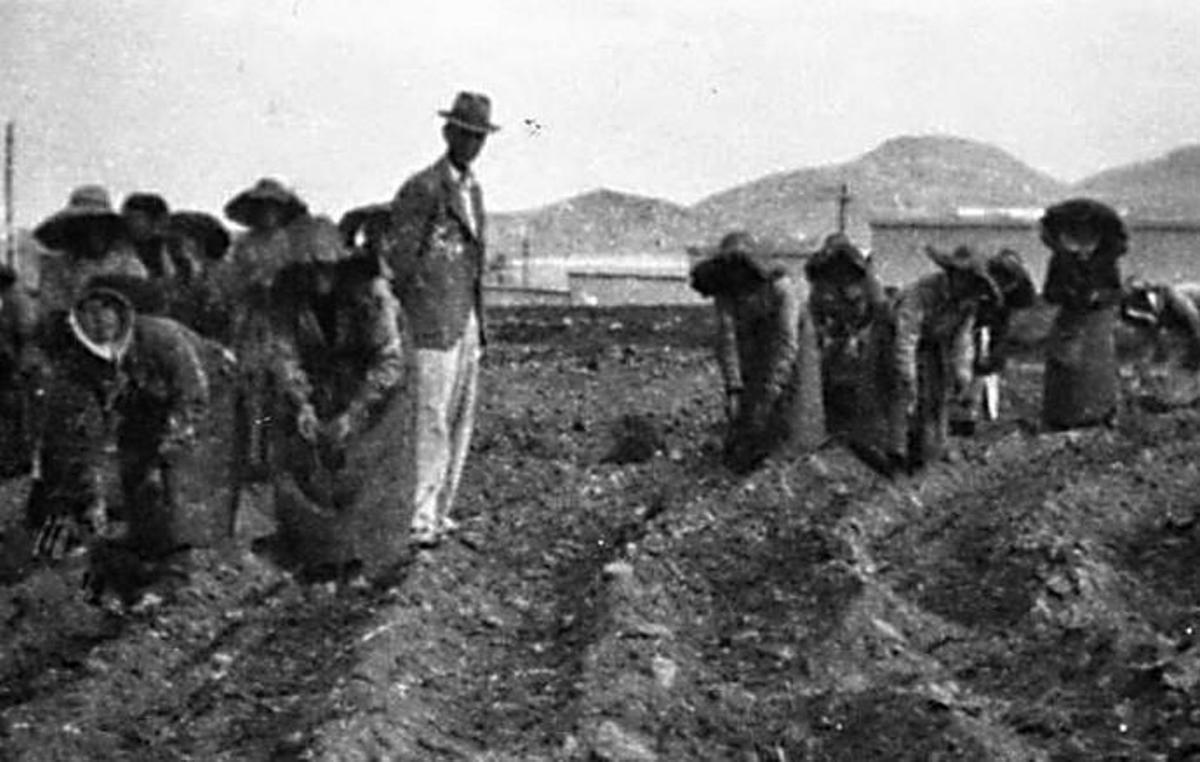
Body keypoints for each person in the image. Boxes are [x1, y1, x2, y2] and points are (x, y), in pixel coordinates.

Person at [26, 275, 236, 573]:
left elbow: (193, 395)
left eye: (106, 309)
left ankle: (192, 553)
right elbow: (85, 427)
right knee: (134, 461)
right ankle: (147, 538)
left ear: (121, 311)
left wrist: (170, 441)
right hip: (147, 401)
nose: (100, 319)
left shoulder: (162, 338)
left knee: (184, 471)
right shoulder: (82, 360)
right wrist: (90, 492)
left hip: (211, 391)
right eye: (90, 312)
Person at [387, 91, 498, 548]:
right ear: (448, 132)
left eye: (479, 137)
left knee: (459, 418)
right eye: (465, 134)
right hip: (431, 320)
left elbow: (474, 263)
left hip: (465, 317)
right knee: (429, 418)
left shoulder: (473, 191)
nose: (472, 144)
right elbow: (400, 261)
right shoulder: (423, 188)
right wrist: (410, 313)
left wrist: (479, 323)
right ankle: (419, 516)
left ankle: (440, 510)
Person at [267, 248, 410, 577]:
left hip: (377, 380)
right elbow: (284, 355)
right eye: (310, 268)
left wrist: (355, 412)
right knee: (307, 454)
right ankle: (315, 550)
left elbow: (389, 361)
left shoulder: (372, 294)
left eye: (326, 268)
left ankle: (370, 557)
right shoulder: (288, 296)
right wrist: (302, 403)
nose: (319, 277)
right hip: (324, 378)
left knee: (367, 460)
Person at [218, 178, 343, 483]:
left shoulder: (292, 241)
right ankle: (254, 454)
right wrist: (254, 285)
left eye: (273, 208)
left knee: (288, 387)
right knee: (253, 389)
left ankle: (285, 455)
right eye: (262, 208)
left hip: (288, 317)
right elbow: (233, 284)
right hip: (255, 322)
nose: (268, 214)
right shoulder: (245, 245)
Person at [690, 231, 825, 474]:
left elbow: (786, 343)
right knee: (747, 420)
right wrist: (733, 388)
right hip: (754, 350)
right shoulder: (725, 291)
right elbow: (727, 340)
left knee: (790, 417)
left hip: (795, 350)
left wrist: (769, 392)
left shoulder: (782, 290)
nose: (737, 280)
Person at [889, 245, 1002, 471]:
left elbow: (962, 341)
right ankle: (897, 454)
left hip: (934, 346)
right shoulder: (921, 293)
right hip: (894, 340)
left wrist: (962, 375)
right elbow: (906, 339)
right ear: (951, 273)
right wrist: (908, 378)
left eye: (972, 280)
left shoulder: (968, 301)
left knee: (937, 398)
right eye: (962, 277)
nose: (966, 284)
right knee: (904, 396)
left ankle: (932, 452)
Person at [803, 233, 896, 470]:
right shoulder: (820, 284)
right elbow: (815, 315)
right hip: (837, 336)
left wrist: (866, 338)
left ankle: (868, 436)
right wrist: (824, 337)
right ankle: (836, 431)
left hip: (867, 334)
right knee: (830, 380)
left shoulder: (867, 280)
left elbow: (882, 311)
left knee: (867, 383)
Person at [1039, 198, 1128, 430]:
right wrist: (1068, 294)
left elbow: (1115, 292)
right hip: (1070, 320)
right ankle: (1062, 418)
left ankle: (1099, 415)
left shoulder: (1107, 262)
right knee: (1064, 366)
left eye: (1088, 232)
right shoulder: (1059, 261)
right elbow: (1050, 292)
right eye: (1076, 231)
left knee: (1097, 369)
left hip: (1097, 323)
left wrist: (1098, 297)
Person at [949, 248, 1038, 432]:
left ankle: (981, 413)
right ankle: (970, 412)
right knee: (973, 366)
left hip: (995, 324)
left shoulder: (1017, 288)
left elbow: (1023, 303)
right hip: (976, 324)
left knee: (987, 367)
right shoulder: (980, 281)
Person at [33, 185, 149, 313]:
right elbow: (51, 307)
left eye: (99, 225)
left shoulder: (128, 265)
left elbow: (140, 303)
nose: (91, 232)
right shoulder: (55, 267)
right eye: (82, 225)